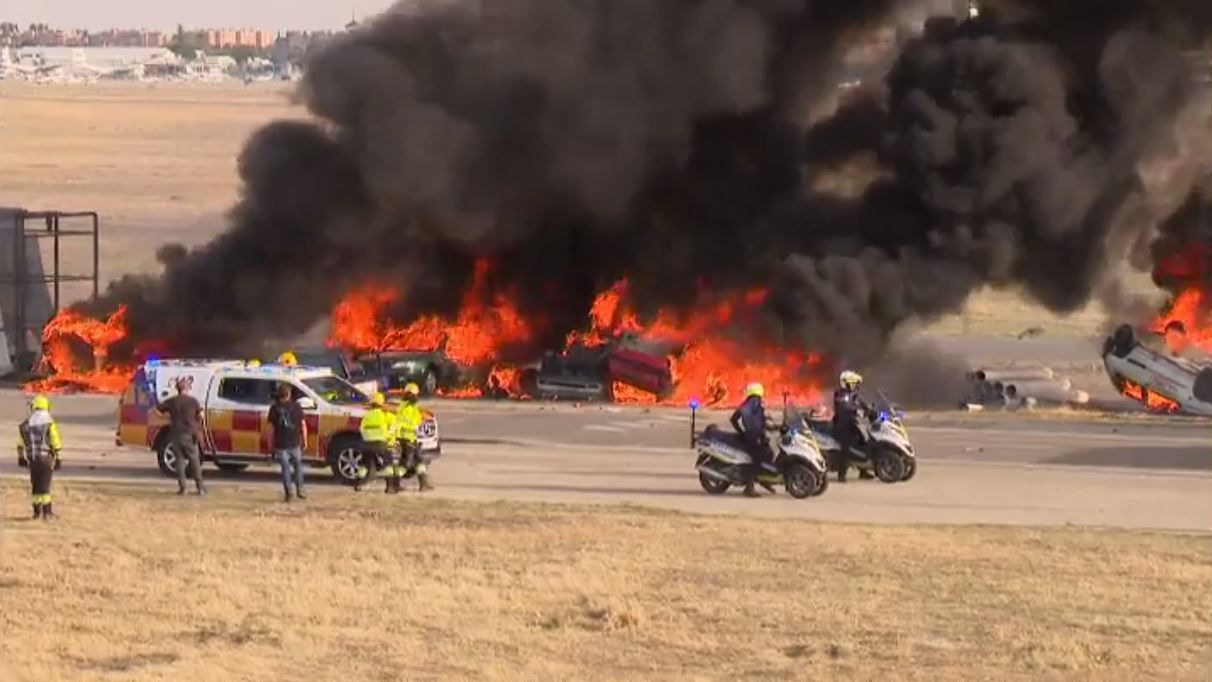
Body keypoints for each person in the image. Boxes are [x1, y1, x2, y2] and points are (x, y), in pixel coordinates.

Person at [156, 376, 207, 496]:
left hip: (176, 433)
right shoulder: (193, 401)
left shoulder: (172, 401)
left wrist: (168, 419)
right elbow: (201, 415)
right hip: (190, 434)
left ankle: (183, 488)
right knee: (194, 461)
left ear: (177, 389)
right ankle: (200, 488)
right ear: (187, 388)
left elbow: (157, 411)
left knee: (179, 461)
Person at [16, 394, 63, 520]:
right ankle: (47, 512)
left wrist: (21, 458)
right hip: (46, 457)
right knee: (45, 484)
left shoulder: (25, 425)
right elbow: (55, 440)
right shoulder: (49, 423)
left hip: (32, 459)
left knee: (36, 484)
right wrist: (58, 457)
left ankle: (37, 512)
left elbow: (20, 444)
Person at [729, 382, 774, 498]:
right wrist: (751, 431)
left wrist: (741, 431)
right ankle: (749, 488)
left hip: (754, 435)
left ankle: (763, 479)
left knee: (769, 454)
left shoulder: (748, 403)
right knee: (756, 460)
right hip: (753, 437)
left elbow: (734, 419)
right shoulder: (754, 403)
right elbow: (755, 421)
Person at [267, 382, 308, 502]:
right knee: (298, 466)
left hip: (281, 443)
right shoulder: (296, 406)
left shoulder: (274, 408)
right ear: (289, 394)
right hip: (295, 442)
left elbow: (271, 429)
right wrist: (305, 440)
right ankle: (301, 490)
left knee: (285, 468)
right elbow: (303, 425)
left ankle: (289, 492)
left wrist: (270, 443)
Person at [832, 370, 872, 482]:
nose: (855, 385)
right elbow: (844, 407)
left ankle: (863, 470)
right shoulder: (841, 394)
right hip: (842, 425)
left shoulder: (853, 394)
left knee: (863, 442)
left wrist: (870, 409)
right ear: (846, 383)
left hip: (852, 424)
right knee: (845, 448)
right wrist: (856, 410)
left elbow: (861, 404)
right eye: (854, 383)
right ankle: (841, 475)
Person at [355, 392, 396, 492]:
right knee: (388, 464)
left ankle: (358, 485)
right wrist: (390, 441)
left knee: (365, 465)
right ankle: (389, 487)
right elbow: (393, 429)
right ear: (382, 403)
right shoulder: (386, 415)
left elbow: (361, 429)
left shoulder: (366, 416)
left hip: (366, 444)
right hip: (381, 444)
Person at [394, 382, 431, 492]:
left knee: (419, 461)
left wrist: (420, 419)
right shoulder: (405, 407)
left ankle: (423, 484)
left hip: (412, 438)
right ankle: (395, 484)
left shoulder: (412, 406)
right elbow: (402, 423)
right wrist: (414, 426)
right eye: (413, 394)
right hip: (406, 438)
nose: (415, 397)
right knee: (405, 463)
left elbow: (417, 420)